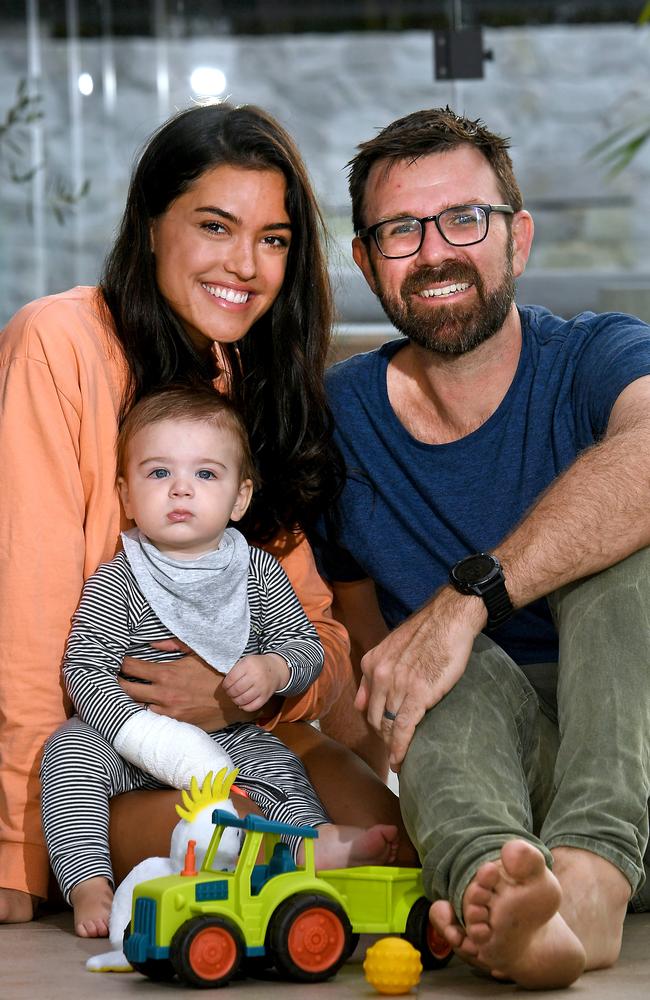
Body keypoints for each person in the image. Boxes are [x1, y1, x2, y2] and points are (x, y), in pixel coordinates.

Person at [0, 101, 404, 927]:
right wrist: (19, 854)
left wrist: (242, 691)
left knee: (401, 840)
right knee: (238, 845)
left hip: (242, 730)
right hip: (98, 751)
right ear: (150, 225)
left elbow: (320, 635)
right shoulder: (59, 342)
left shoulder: (256, 387)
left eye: (274, 239)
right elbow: (28, 615)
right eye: (216, 226)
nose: (248, 264)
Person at [311, 107, 650, 989]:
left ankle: (591, 880)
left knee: (620, 541)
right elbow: (360, 658)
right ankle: (498, 906)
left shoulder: (594, 358)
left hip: (635, 769)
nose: (435, 252)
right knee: (421, 670)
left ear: (518, 238)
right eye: (399, 231)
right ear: (364, 262)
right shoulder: (337, 423)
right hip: (503, 799)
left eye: (466, 219)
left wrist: (465, 604)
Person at [41, 386, 398, 937]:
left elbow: (303, 643)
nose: (181, 488)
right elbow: (84, 666)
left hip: (235, 738)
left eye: (206, 474)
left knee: (281, 768)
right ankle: (87, 879)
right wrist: (135, 728)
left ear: (239, 497)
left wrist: (276, 669)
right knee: (66, 753)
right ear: (127, 495)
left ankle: (311, 843)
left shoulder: (255, 572)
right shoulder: (120, 578)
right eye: (158, 473)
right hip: (130, 744)